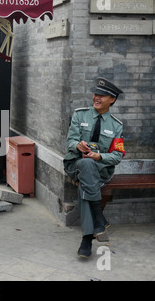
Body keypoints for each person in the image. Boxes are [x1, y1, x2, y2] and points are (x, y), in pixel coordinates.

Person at [63, 77, 125, 258]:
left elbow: (117, 156)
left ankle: (87, 238)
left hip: (99, 170)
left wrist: (100, 156)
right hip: (75, 164)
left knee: (87, 180)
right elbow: (70, 141)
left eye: (103, 95)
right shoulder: (80, 115)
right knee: (86, 166)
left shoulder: (116, 126)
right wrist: (78, 145)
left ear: (112, 100)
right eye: (96, 94)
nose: (97, 97)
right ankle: (98, 217)